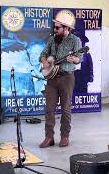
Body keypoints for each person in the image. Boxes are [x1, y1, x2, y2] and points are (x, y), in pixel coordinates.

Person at [39, 10, 82, 148]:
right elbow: (43, 54)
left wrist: (73, 58)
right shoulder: (52, 39)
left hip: (66, 78)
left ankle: (64, 137)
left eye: (58, 27)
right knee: (49, 109)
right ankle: (49, 137)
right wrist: (45, 61)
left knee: (65, 109)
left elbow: (79, 59)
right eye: (55, 27)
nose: (55, 30)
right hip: (51, 79)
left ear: (66, 28)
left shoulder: (75, 41)